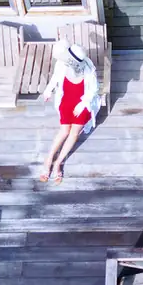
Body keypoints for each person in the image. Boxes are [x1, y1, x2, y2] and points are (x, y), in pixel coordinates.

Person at [40, 40, 100, 184]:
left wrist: (83, 103)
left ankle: (58, 163)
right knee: (64, 130)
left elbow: (93, 89)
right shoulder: (62, 64)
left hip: (81, 103)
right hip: (66, 100)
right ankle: (48, 160)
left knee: (74, 132)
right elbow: (55, 78)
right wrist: (48, 90)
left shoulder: (88, 69)